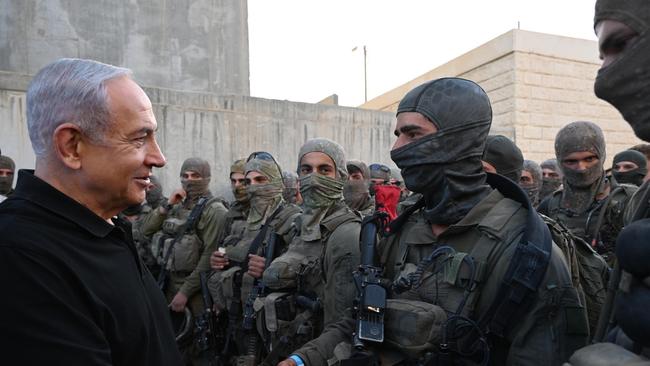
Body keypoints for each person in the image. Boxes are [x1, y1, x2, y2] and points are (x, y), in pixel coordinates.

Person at [280, 78, 586, 366]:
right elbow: (364, 317)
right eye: (398, 134)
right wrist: (304, 359)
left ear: (458, 141)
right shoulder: (405, 230)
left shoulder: (526, 250)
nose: (397, 149)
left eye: (413, 134)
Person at [0, 58, 181, 365]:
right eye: (139, 138)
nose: (159, 157)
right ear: (72, 146)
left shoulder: (105, 227)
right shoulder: (20, 256)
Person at [562, 2, 650, 363]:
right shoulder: (643, 199)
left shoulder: (623, 199)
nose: (604, 81)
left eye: (622, 45)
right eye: (570, 162)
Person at [262, 138, 361, 363]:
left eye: (324, 170)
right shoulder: (299, 225)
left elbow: (344, 325)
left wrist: (300, 360)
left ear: (341, 177)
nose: (313, 178)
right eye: (307, 170)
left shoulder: (346, 235)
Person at [209, 151, 302, 366]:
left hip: (270, 322)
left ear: (276, 181)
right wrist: (217, 262)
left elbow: (304, 270)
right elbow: (222, 251)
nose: (253, 186)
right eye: (249, 181)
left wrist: (272, 268)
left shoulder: (292, 219)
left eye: (261, 180)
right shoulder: (240, 220)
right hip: (235, 314)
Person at [141, 157, 229, 362]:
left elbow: (208, 256)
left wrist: (184, 292)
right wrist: (167, 205)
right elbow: (145, 230)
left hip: (196, 292)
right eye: (185, 176)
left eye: (195, 176)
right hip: (170, 283)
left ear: (206, 178)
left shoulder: (214, 211)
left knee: (196, 349)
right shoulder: (177, 205)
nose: (189, 181)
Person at [538, 121, 636, 264]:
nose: (581, 168)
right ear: (560, 162)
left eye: (589, 159)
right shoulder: (550, 205)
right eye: (571, 161)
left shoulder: (630, 200)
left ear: (601, 156)